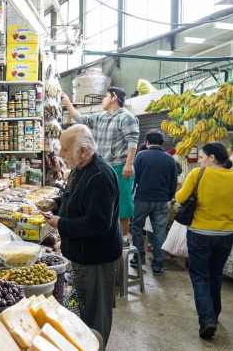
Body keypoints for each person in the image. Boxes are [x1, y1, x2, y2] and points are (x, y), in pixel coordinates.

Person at [42, 124, 122, 347]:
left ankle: (96, 346)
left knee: (96, 315)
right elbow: (74, 199)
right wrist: (56, 203)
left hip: (95, 259)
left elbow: (98, 223)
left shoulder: (99, 176)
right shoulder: (80, 168)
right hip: (81, 255)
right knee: (82, 311)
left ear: (83, 151)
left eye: (65, 150)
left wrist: (61, 224)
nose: (60, 154)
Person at [62, 87, 139, 247]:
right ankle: (104, 237)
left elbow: (132, 140)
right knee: (99, 206)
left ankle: (123, 240)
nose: (102, 99)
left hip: (119, 167)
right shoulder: (101, 117)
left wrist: (129, 164)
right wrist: (67, 103)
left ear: (115, 98)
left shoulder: (127, 117)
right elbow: (81, 119)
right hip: (100, 167)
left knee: (122, 206)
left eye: (105, 96)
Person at [176, 142, 233, 338]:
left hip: (200, 234)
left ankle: (207, 319)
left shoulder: (197, 174)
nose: (200, 161)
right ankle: (214, 316)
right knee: (215, 275)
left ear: (212, 158)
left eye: (201, 157)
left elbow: (181, 198)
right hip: (226, 235)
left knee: (200, 276)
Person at [131, 129, 178, 276]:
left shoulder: (141, 155)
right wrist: (167, 197)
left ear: (147, 142)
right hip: (161, 201)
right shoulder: (170, 159)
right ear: (162, 143)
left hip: (142, 199)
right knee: (159, 233)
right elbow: (173, 183)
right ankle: (157, 265)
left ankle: (139, 258)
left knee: (137, 228)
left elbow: (134, 178)